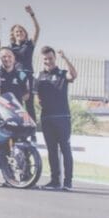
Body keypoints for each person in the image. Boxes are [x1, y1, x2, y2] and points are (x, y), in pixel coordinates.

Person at [34, 45, 76, 190]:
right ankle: (54, 181)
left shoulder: (62, 73)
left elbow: (73, 75)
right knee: (51, 151)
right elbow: (36, 95)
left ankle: (68, 182)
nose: (48, 61)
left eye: (50, 58)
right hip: (46, 118)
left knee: (65, 149)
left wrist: (65, 58)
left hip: (62, 117)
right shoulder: (39, 76)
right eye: (45, 59)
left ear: (55, 58)